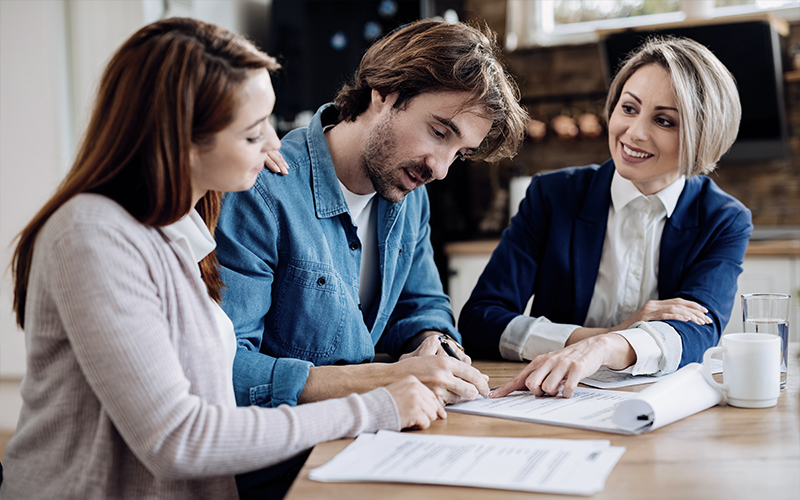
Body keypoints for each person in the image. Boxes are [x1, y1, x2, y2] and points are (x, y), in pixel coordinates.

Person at [1, 18, 445, 500]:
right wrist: (374, 406)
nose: (275, 145)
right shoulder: (92, 236)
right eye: (253, 133)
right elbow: (178, 440)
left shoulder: (178, 230)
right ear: (181, 139)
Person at [215, 19, 528, 408]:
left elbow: (421, 305)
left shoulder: (410, 195)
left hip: (375, 425)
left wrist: (434, 342)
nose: (440, 169)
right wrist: (383, 379)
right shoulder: (262, 191)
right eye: (439, 133)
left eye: (459, 154)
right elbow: (226, 369)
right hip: (288, 440)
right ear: (384, 93)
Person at [459, 36, 752, 399]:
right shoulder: (553, 196)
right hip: (550, 397)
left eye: (664, 121)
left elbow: (697, 334)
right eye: (628, 108)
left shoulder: (723, 220)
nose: (634, 132)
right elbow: (481, 320)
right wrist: (600, 337)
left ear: (703, 135)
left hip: (657, 408)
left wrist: (607, 348)